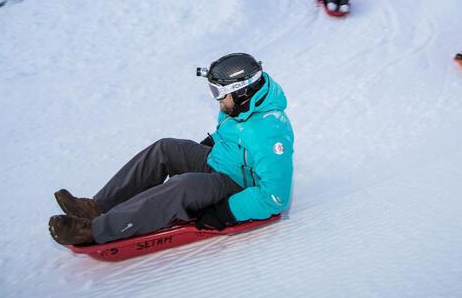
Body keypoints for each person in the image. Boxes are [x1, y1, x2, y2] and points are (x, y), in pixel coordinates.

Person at [48, 53, 294, 245]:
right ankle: (95, 207)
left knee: (183, 186)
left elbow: (275, 197)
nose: (217, 100)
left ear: (243, 91)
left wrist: (225, 212)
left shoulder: (269, 132)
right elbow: (233, 134)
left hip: (237, 185)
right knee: (165, 148)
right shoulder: (244, 106)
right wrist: (210, 143)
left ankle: (96, 230)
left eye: (219, 93)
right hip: (220, 161)